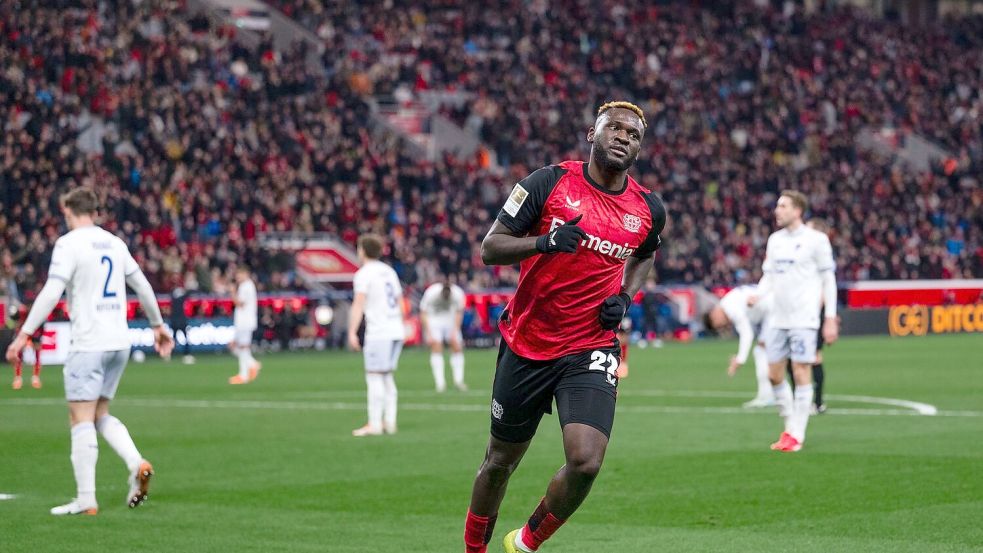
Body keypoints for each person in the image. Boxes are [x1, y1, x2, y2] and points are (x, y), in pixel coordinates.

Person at [463, 101, 666, 553]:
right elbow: (490, 248)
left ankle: (525, 543)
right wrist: (544, 242)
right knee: (499, 462)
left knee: (586, 462)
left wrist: (625, 297)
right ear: (592, 134)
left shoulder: (647, 208)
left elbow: (646, 253)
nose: (623, 137)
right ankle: (474, 549)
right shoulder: (548, 182)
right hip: (528, 343)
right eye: (614, 128)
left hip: (590, 347)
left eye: (633, 135)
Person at [4, 187, 174, 515]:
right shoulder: (114, 242)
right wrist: (157, 326)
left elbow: (53, 291)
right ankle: (136, 463)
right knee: (100, 413)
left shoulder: (69, 244)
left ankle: (86, 499)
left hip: (89, 342)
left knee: (79, 417)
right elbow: (142, 286)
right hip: (118, 343)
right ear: (95, 211)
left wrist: (24, 334)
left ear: (69, 211)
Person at [749, 191, 838, 453]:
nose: (777, 210)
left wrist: (830, 317)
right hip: (778, 317)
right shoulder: (775, 240)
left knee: (801, 371)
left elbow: (828, 280)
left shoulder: (817, 240)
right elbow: (769, 276)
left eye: (783, 206)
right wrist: (759, 293)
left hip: (804, 318)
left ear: (798, 211)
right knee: (774, 374)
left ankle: (796, 433)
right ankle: (790, 427)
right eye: (777, 206)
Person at [347, 234, 405, 437]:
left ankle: (374, 424)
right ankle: (390, 421)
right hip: (396, 329)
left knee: (374, 377)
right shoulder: (389, 271)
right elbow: (400, 301)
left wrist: (352, 331)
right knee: (387, 376)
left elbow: (358, 304)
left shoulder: (364, 274)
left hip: (379, 332)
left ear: (362, 250)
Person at [705, 285, 774, 407]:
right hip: (771, 310)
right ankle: (767, 395)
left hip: (774, 310)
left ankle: (768, 396)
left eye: (717, 324)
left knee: (761, 352)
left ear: (714, 315)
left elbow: (747, 334)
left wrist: (739, 360)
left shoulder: (730, 307)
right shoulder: (729, 304)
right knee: (761, 352)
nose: (721, 325)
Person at [420, 276, 468, 392]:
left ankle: (458, 381)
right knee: (436, 347)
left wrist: (455, 331)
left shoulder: (458, 293)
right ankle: (440, 383)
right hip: (434, 319)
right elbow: (423, 312)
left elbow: (459, 312)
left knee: (456, 346)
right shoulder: (431, 293)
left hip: (450, 319)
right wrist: (429, 333)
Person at [228, 267, 260, 384]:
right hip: (243, 322)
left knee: (241, 347)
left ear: (246, 274)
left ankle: (244, 374)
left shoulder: (246, 286)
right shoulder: (246, 286)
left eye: (240, 274)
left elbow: (240, 303)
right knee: (237, 347)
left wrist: (232, 292)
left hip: (245, 322)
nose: (237, 277)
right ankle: (251, 365)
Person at [170, 287, 195, 365]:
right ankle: (187, 353)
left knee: (174, 339)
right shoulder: (181, 300)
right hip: (181, 322)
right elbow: (189, 293)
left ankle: (170, 353)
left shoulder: (173, 300)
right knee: (185, 339)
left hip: (174, 322)